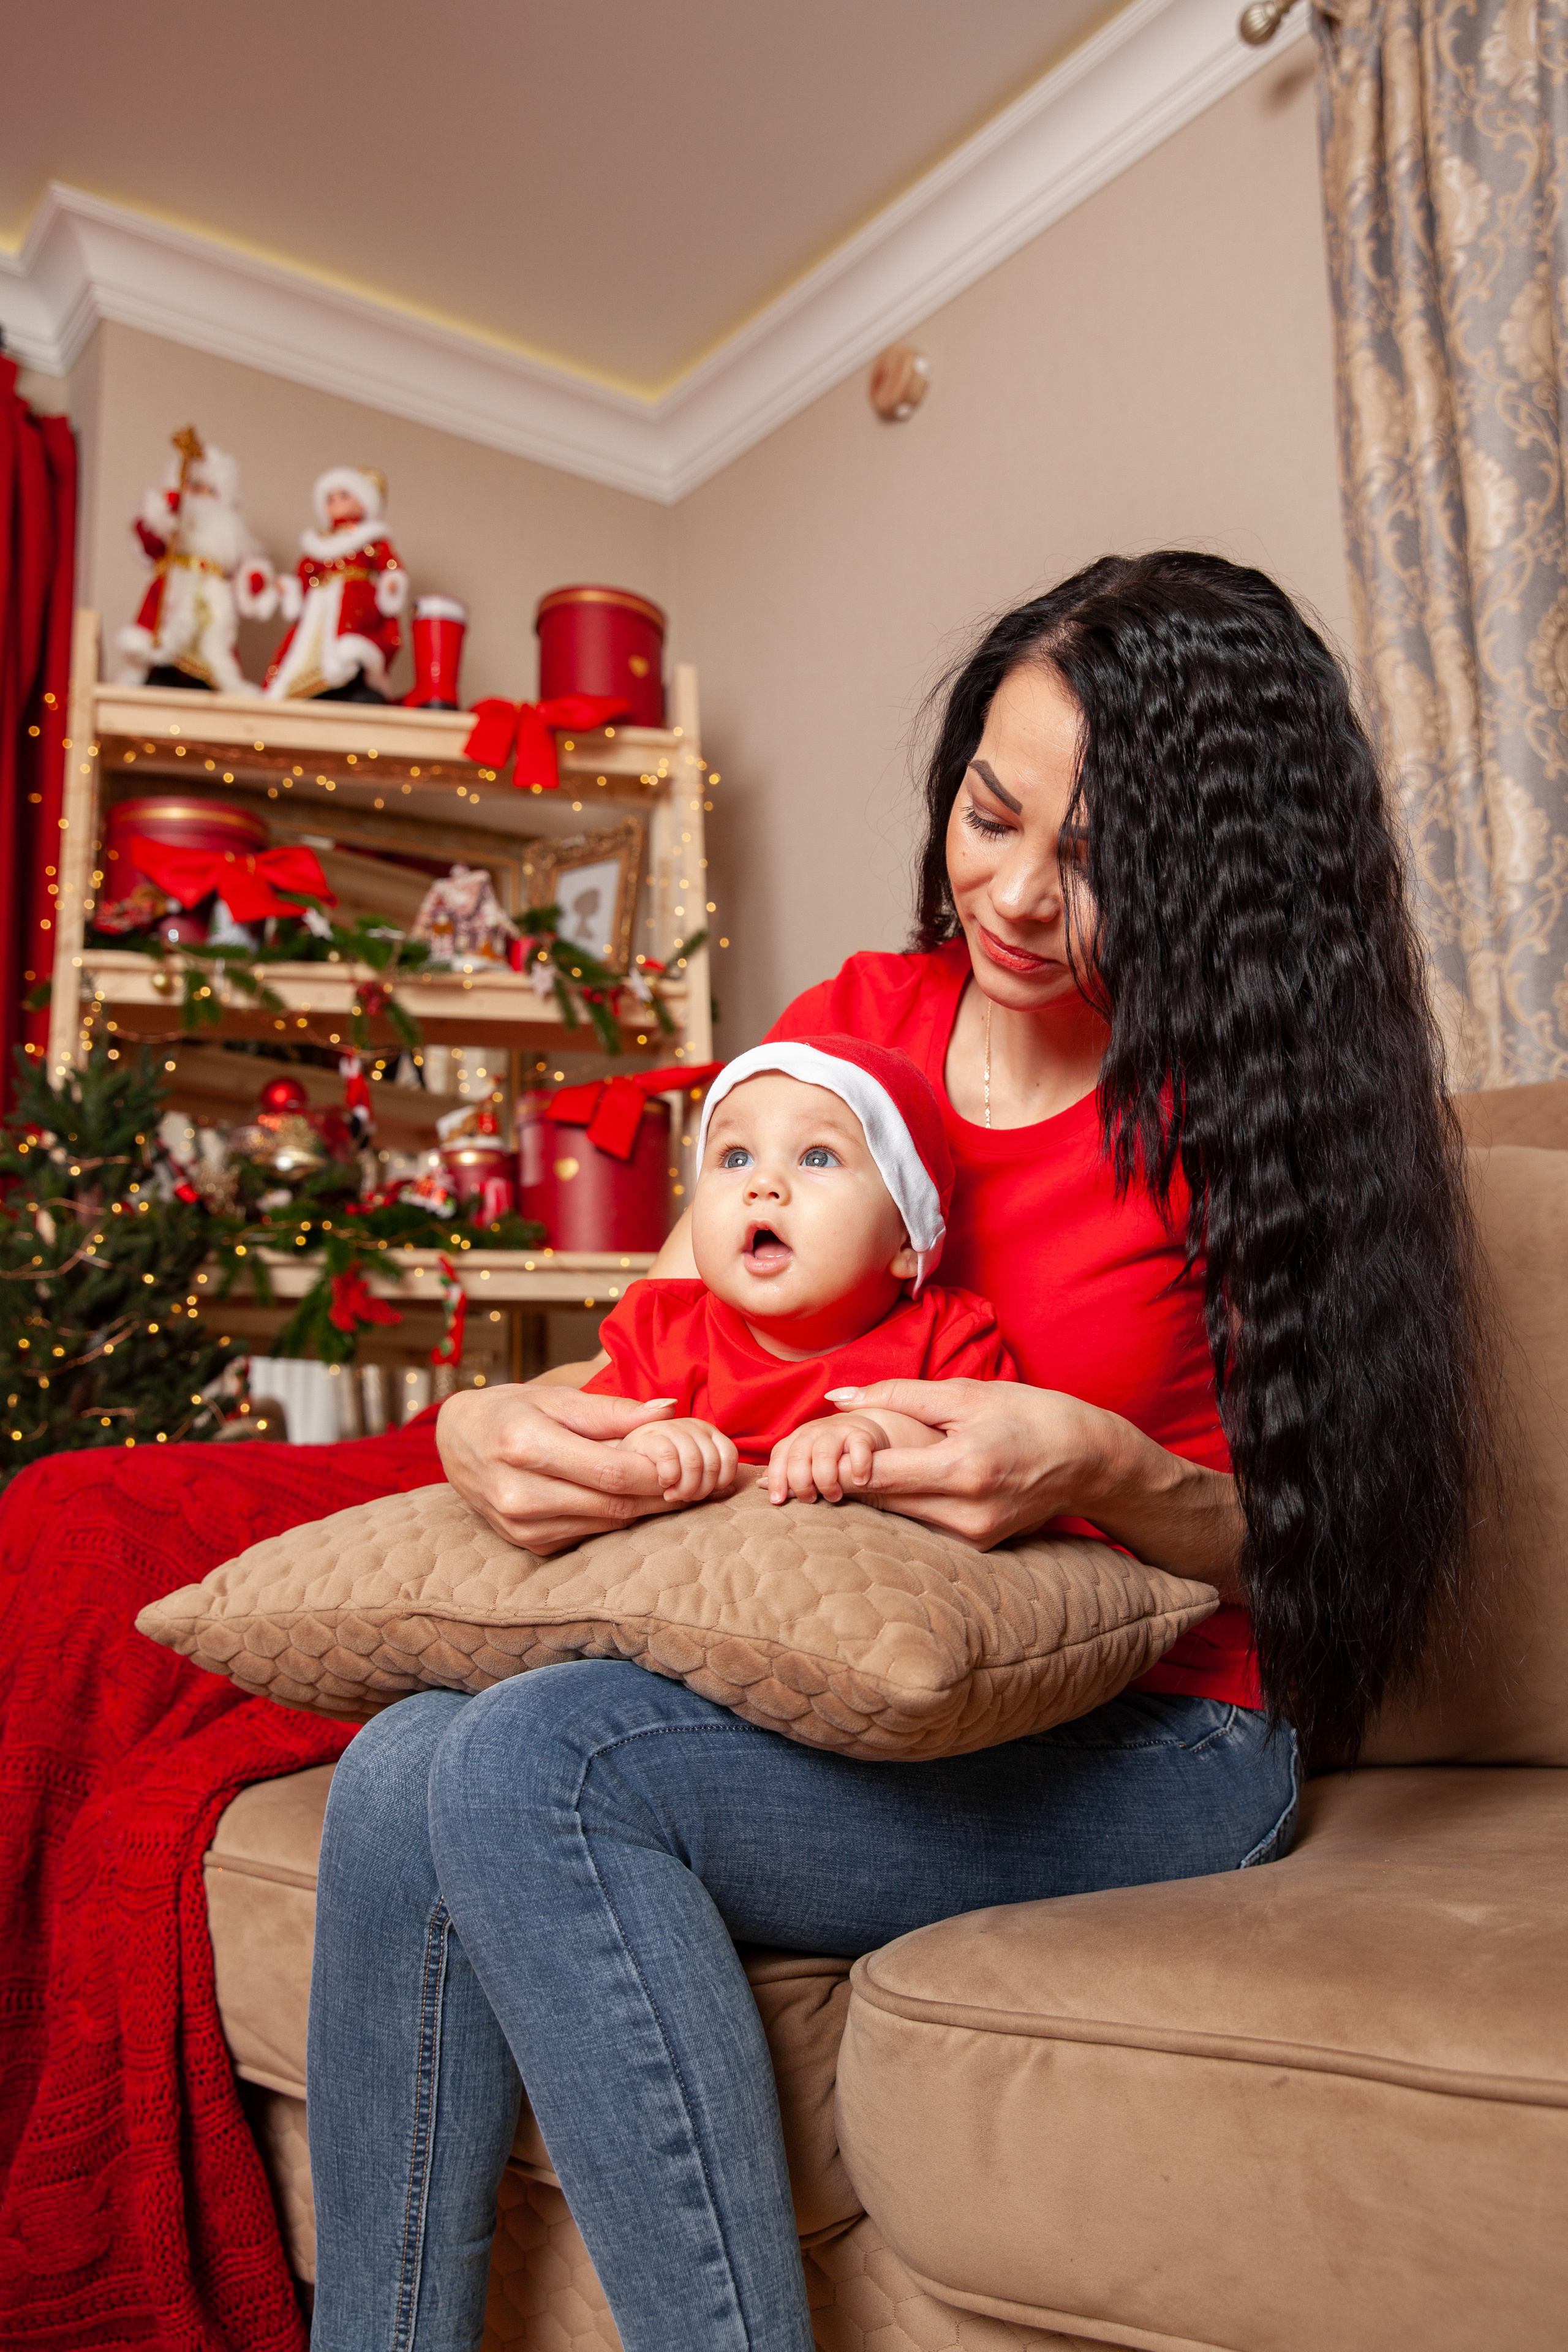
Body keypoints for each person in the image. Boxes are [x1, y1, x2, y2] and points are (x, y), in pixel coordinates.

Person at [306, 553, 1488, 2352]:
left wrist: (1101, 1461)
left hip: (1160, 1730)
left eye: (1094, 859)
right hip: (845, 1671)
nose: (1014, 890)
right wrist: (487, 1424)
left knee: (537, 1757)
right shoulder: (852, 1027)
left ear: (1214, 881)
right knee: (402, 1759)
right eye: (990, 810)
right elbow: (654, 1337)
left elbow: (1326, 1556)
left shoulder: (1249, 1108)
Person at [582, 1035, 1017, 1501]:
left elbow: (993, 1459)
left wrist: (882, 1433)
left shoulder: (948, 1340)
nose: (762, 1183)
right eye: (736, 1157)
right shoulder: (660, 1333)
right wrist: (644, 1445)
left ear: (908, 1239)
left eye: (818, 1157)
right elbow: (580, 1447)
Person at [264, 464, 407, 703]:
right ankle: (314, 685)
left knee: (350, 646)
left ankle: (350, 681)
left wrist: (392, 583)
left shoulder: (372, 538)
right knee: (309, 646)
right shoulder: (319, 542)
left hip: (355, 603)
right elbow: (305, 572)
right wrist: (290, 588)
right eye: (329, 498)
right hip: (319, 605)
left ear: (362, 502)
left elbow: (390, 566)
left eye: (343, 496)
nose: (334, 502)